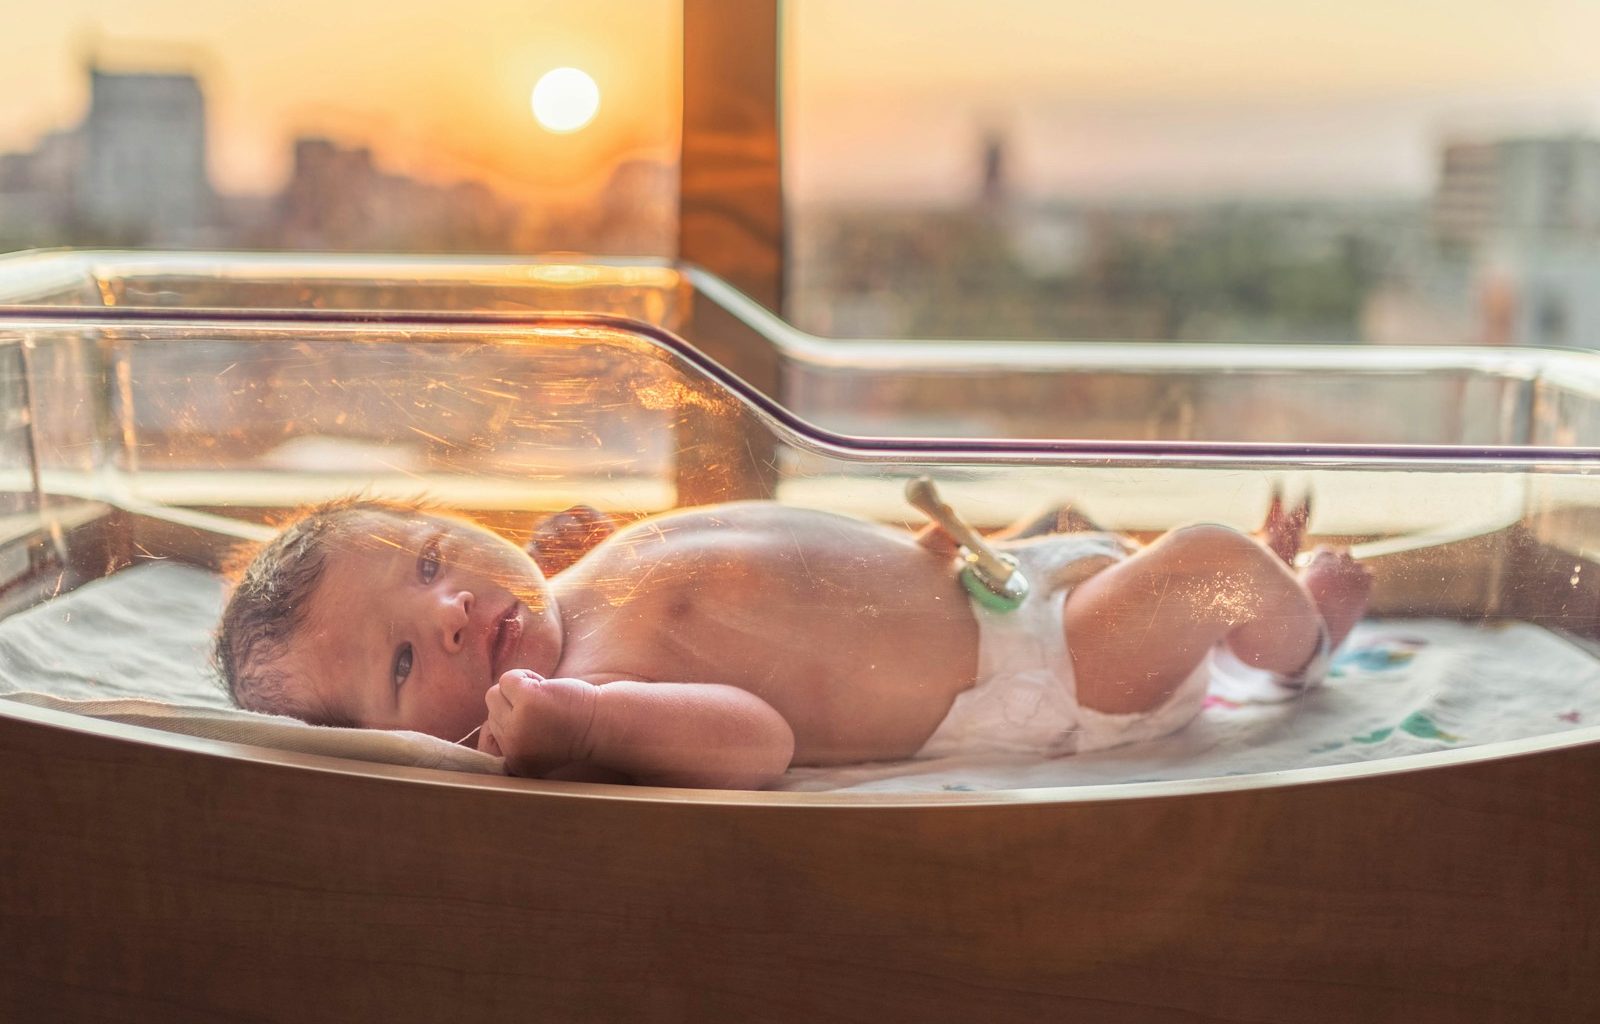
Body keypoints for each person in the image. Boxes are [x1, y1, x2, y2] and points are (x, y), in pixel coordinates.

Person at [216, 490, 1370, 790]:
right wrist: (587, 724)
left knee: (1099, 542)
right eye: (405, 660)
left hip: (998, 581)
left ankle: (1254, 603)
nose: (450, 607)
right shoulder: (587, 683)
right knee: (1208, 562)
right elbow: (755, 741)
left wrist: (603, 542)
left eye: (426, 560)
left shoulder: (568, 590)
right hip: (1034, 670)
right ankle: (1303, 624)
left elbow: (719, 589)